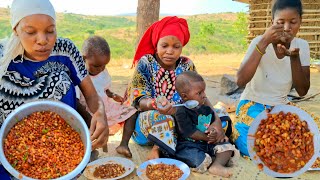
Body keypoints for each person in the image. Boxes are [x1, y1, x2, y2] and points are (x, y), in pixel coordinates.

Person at [0, 0, 109, 151]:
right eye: (31, 32)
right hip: (11, 151)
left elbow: (91, 95)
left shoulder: (66, 50)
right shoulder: (3, 57)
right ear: (16, 30)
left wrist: (100, 113)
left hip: (63, 149)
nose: (43, 40)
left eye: (50, 30)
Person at [118, 16, 226, 160]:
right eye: (164, 46)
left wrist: (216, 121)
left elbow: (201, 96)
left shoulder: (187, 65)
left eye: (176, 47)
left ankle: (200, 139)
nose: (170, 51)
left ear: (182, 47)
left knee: (221, 115)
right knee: (166, 117)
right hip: (149, 124)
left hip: (184, 121)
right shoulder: (146, 63)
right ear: (156, 44)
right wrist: (155, 103)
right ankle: (159, 149)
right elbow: (139, 100)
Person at [233, 0, 313, 156]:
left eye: (293, 22)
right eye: (280, 22)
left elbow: (302, 90)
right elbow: (240, 81)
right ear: (272, 23)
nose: (287, 28)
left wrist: (294, 58)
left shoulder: (302, 46)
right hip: (252, 105)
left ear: (300, 22)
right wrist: (264, 42)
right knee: (259, 142)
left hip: (280, 107)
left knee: (306, 137)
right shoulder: (259, 42)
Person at [77, 35, 138, 157]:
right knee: (90, 130)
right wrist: (89, 117)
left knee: (132, 112)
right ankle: (89, 150)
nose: (101, 69)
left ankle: (123, 144)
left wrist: (113, 95)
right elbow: (78, 100)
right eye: (96, 66)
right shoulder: (78, 76)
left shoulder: (102, 71)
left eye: (104, 65)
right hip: (89, 112)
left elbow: (104, 89)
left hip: (106, 107)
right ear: (84, 59)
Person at [174, 71, 238, 178]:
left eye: (204, 91)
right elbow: (190, 132)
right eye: (199, 93)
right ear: (185, 96)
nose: (204, 96)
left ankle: (216, 165)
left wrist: (213, 132)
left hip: (207, 143)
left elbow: (212, 123)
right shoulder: (180, 111)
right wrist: (208, 137)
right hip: (189, 145)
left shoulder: (204, 107)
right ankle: (212, 159)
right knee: (198, 159)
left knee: (227, 146)